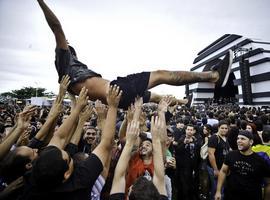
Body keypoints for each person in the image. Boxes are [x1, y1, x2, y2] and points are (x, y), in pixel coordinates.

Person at [37, 0, 233, 110]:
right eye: (68, 46)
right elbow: (56, 27)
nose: (67, 43)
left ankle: (183, 102)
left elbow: (75, 102)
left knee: (155, 97)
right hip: (117, 90)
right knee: (161, 74)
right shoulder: (64, 61)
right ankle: (213, 76)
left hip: (118, 97)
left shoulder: (68, 79)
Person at [215, 130, 270, 200]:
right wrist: (218, 191)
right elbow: (223, 171)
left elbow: (268, 183)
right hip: (230, 196)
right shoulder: (231, 155)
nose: (239, 141)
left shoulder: (261, 161)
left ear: (251, 142)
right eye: (238, 138)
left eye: (243, 139)